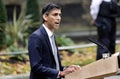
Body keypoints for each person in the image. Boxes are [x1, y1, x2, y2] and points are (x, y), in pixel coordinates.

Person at [28, 3, 81, 79]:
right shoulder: (36, 37)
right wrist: (60, 73)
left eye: (59, 15)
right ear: (45, 17)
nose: (59, 18)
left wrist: (66, 69)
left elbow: (53, 66)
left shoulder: (52, 36)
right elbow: (36, 66)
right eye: (55, 15)